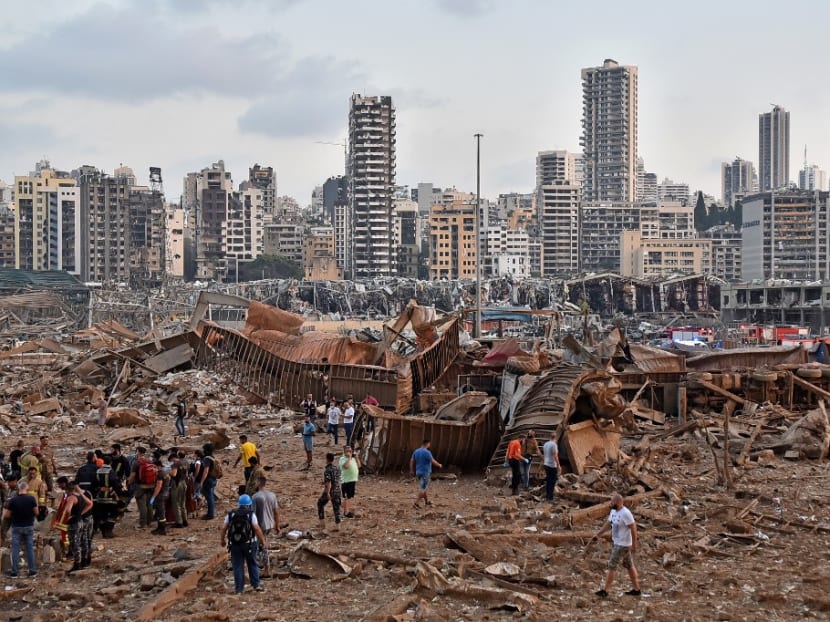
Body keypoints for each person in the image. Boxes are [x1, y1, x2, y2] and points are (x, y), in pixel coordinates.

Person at [591, 492, 641, 598]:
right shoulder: (613, 511)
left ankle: (605, 590)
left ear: (618, 502)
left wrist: (634, 544)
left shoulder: (626, 513)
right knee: (629, 565)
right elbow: (609, 524)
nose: (610, 503)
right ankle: (637, 589)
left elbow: (633, 528)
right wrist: (598, 534)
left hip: (623, 544)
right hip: (617, 542)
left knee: (612, 565)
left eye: (612, 501)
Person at [221, 494, 266, 594]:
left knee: (237, 566)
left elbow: (224, 528)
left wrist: (222, 540)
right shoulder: (250, 515)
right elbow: (257, 529)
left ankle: (239, 589)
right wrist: (262, 540)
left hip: (235, 545)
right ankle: (256, 585)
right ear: (249, 504)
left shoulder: (231, 514)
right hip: (249, 544)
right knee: (252, 564)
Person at [3, 481, 37, 578]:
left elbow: (7, 515)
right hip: (29, 526)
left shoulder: (13, 500)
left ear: (19, 488)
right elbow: (36, 512)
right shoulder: (31, 499)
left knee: (15, 549)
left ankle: (14, 572)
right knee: (29, 549)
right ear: (27, 488)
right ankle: (32, 571)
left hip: (16, 527)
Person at [63, 479, 94, 572]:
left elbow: (68, 510)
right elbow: (90, 503)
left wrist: (68, 517)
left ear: (67, 490)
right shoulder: (80, 496)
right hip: (81, 521)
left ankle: (77, 564)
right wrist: (80, 513)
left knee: (74, 543)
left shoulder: (71, 498)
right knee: (83, 541)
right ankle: (84, 561)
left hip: (74, 523)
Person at [252, 475, 279, 577]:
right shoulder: (272, 495)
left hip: (259, 525)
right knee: (263, 545)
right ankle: (264, 567)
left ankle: (266, 569)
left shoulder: (255, 497)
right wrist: (277, 525)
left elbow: (252, 514)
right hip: (270, 524)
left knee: (261, 547)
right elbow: (276, 512)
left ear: (258, 483)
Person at [410, 439, 442, 509]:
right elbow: (432, 461)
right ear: (427, 444)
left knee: (423, 487)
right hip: (425, 472)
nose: (429, 445)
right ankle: (416, 503)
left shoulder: (416, 451)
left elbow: (412, 460)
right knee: (423, 488)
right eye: (429, 444)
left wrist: (411, 470)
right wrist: (439, 465)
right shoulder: (427, 452)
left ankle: (427, 501)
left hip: (418, 472)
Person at [317, 452, 341, 532]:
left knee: (320, 503)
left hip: (330, 490)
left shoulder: (327, 470)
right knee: (336, 508)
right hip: (337, 490)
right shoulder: (337, 468)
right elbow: (336, 479)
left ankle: (322, 523)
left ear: (327, 459)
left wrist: (327, 493)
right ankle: (338, 525)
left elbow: (329, 482)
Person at [339, 446, 360, 519]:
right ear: (344, 452)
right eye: (348, 451)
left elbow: (359, 465)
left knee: (350, 496)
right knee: (347, 497)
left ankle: (347, 510)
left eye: (350, 451)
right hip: (347, 481)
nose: (349, 452)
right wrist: (349, 458)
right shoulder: (342, 459)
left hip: (353, 480)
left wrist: (356, 457)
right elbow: (346, 466)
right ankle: (346, 512)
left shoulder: (353, 459)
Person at [200, 443, 219, 520]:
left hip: (208, 479)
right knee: (211, 496)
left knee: (209, 497)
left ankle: (210, 514)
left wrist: (201, 481)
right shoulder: (213, 457)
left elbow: (206, 471)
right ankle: (211, 512)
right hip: (213, 479)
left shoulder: (207, 459)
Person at [542, 431, 561, 502]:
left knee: (549, 480)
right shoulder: (554, 445)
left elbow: (544, 454)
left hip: (546, 464)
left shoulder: (546, 444)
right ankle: (550, 498)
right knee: (552, 481)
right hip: (552, 465)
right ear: (555, 437)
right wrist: (558, 465)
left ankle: (548, 496)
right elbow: (555, 455)